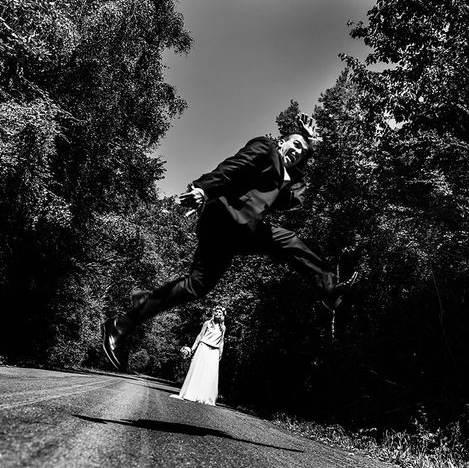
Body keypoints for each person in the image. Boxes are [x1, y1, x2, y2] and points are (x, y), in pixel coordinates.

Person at [102, 113, 358, 370]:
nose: (298, 152)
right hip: (223, 217)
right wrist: (204, 188)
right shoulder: (266, 148)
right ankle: (327, 288)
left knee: (196, 286)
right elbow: (234, 166)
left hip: (242, 231)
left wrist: (310, 144)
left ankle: (125, 320)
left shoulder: (286, 181)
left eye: (303, 153)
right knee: (286, 239)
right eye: (295, 144)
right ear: (281, 141)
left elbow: (295, 198)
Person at [170, 306, 226, 406]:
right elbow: (200, 335)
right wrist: (192, 348)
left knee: (209, 374)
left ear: (222, 315)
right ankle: (191, 393)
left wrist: (221, 352)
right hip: (203, 347)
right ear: (214, 313)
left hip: (214, 351)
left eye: (220, 313)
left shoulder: (223, 328)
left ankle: (204, 397)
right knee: (198, 370)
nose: (218, 314)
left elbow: (221, 341)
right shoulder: (207, 323)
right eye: (216, 312)